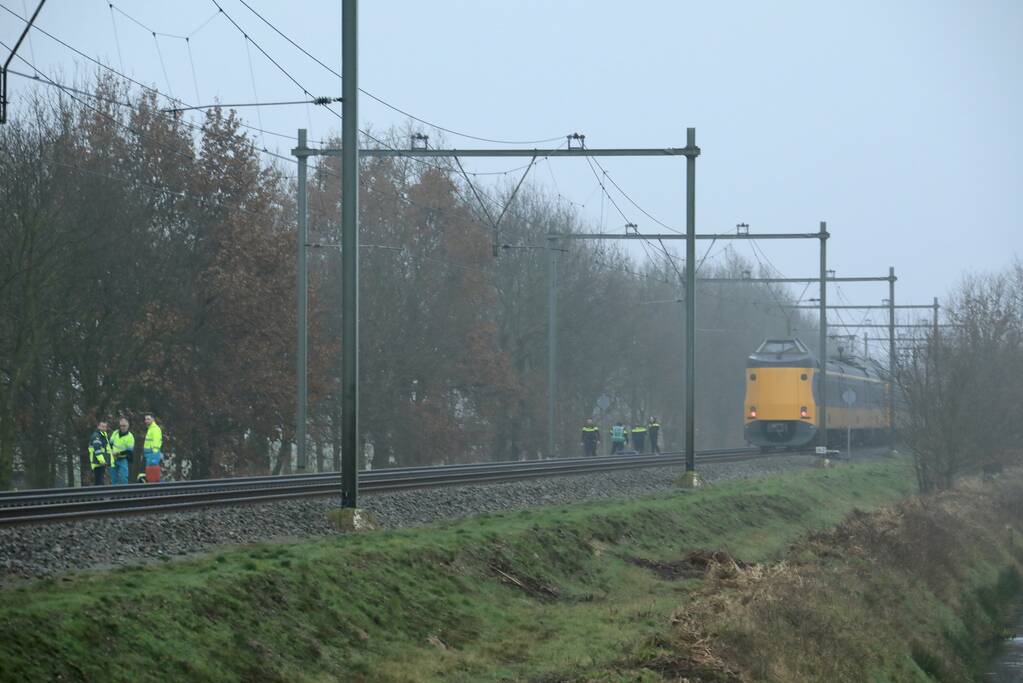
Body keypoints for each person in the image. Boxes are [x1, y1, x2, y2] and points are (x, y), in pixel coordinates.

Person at [108, 417, 135, 485]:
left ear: (128, 426)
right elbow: (110, 444)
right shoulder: (115, 433)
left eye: (124, 426)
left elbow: (129, 451)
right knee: (113, 478)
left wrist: (118, 453)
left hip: (123, 459)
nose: (122, 427)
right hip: (113, 459)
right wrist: (111, 452)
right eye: (121, 426)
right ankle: (114, 491)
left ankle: (125, 491)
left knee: (123, 478)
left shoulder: (130, 437)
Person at [87, 420, 111, 486]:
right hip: (97, 463)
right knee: (99, 482)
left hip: (100, 462)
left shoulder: (103, 436)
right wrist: (102, 461)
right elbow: (97, 450)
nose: (104, 428)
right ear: (98, 426)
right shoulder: (97, 436)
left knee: (99, 482)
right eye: (102, 426)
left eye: (105, 427)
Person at [143, 414, 163, 483]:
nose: (146, 421)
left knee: (153, 472)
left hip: (152, 454)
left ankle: (154, 486)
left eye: (148, 419)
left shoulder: (155, 429)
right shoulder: (151, 429)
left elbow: (156, 441)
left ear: (153, 419)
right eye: (145, 419)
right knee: (150, 472)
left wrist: (154, 452)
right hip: (149, 454)